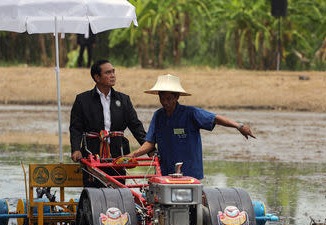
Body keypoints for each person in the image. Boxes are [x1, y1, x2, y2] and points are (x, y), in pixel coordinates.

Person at [128, 74, 256, 179]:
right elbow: (150, 143)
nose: (165, 102)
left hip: (190, 174)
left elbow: (214, 118)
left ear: (177, 97)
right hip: (165, 172)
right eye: (162, 98)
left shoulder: (191, 113)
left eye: (168, 98)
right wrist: (132, 155)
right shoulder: (158, 115)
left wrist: (238, 126)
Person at [69, 59, 146, 186]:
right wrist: (76, 149)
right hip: (91, 153)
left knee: (118, 190)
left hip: (118, 153)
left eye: (113, 72)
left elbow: (136, 126)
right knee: (94, 191)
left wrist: (149, 148)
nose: (113, 75)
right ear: (97, 77)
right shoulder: (82, 100)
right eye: (108, 72)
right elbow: (76, 128)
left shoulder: (124, 99)